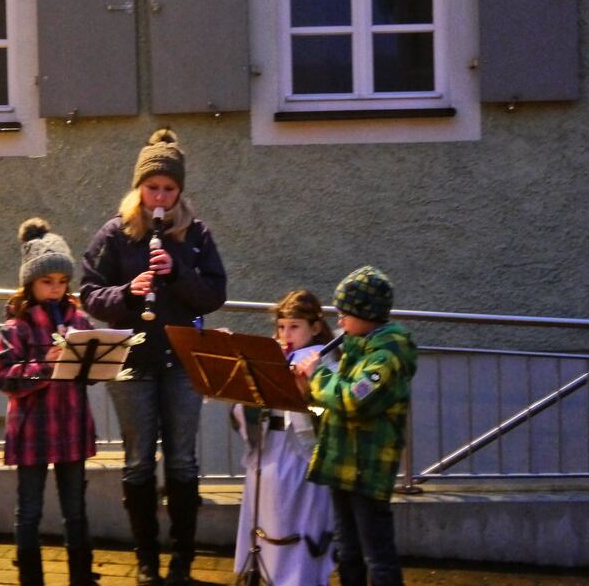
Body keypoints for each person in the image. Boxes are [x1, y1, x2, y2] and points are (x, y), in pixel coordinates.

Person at [80, 129, 227, 585]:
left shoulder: (196, 234)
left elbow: (213, 295)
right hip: (132, 364)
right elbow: (89, 293)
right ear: (138, 187)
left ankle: (183, 558)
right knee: (139, 461)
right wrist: (128, 291)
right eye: (152, 188)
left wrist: (178, 272)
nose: (159, 197)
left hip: (182, 362)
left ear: (179, 190)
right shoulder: (116, 233)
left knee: (182, 461)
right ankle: (146, 559)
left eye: (168, 189)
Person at [0, 217, 97, 586]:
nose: (55, 290)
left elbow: (95, 369)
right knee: (29, 510)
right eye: (46, 282)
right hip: (33, 428)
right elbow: (3, 376)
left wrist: (90, 358)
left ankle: (81, 576)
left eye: (62, 282)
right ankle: (30, 579)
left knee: (76, 510)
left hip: (71, 424)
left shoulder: (78, 319)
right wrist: (43, 365)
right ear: (30, 283)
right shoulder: (16, 326)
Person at [293, 266, 417, 586]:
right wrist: (304, 392)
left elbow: (352, 399)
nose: (339, 321)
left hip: (368, 467)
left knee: (377, 555)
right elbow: (333, 402)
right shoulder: (356, 343)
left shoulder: (388, 354)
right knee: (347, 550)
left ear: (366, 313)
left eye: (344, 312)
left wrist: (317, 375)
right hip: (342, 460)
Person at [231, 290, 336, 586]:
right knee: (266, 521)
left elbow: (329, 414)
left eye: (294, 326)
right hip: (267, 450)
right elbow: (243, 410)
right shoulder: (271, 357)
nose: (286, 334)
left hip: (300, 455)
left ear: (314, 328)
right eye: (281, 326)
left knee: (295, 524)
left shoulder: (324, 362)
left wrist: (305, 393)